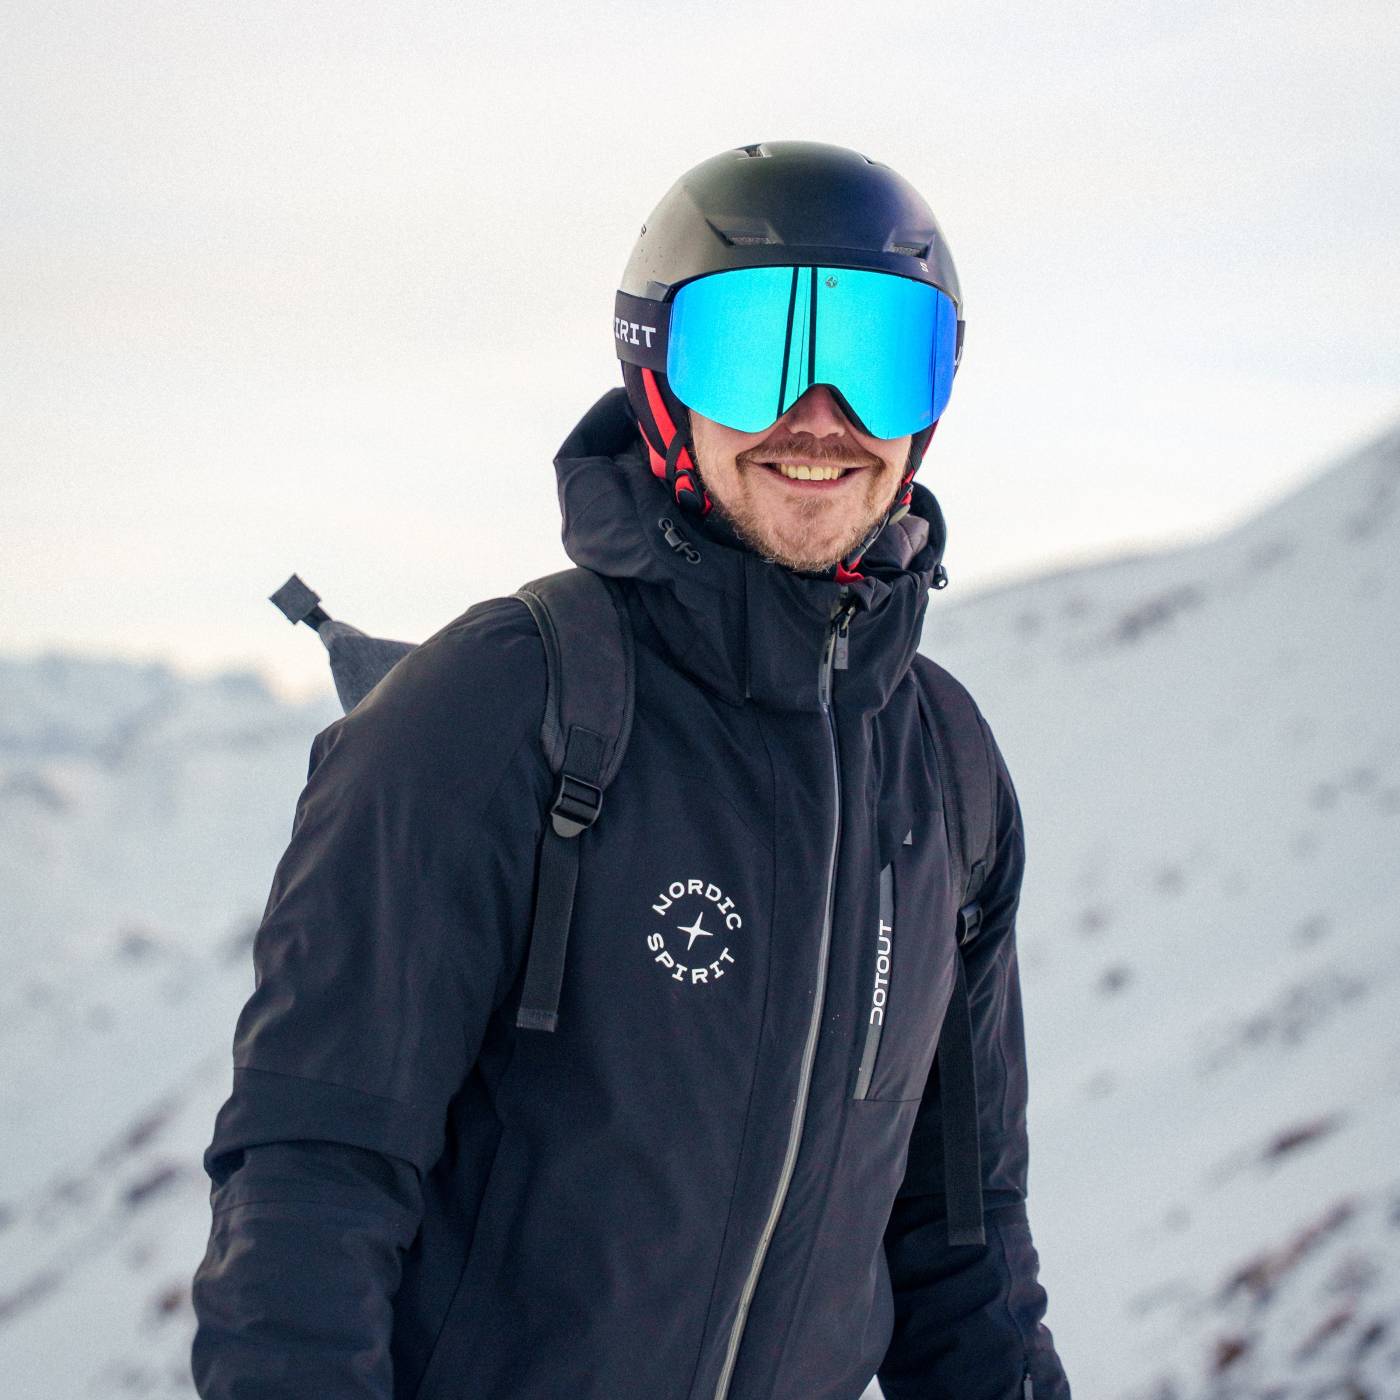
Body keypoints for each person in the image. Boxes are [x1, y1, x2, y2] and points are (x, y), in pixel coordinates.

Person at [190, 139, 1070, 1400]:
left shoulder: (945, 774)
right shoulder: (499, 705)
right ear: (659, 379)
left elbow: (960, 1243)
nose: (820, 415)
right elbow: (310, 1180)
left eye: (880, 356)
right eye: (754, 348)